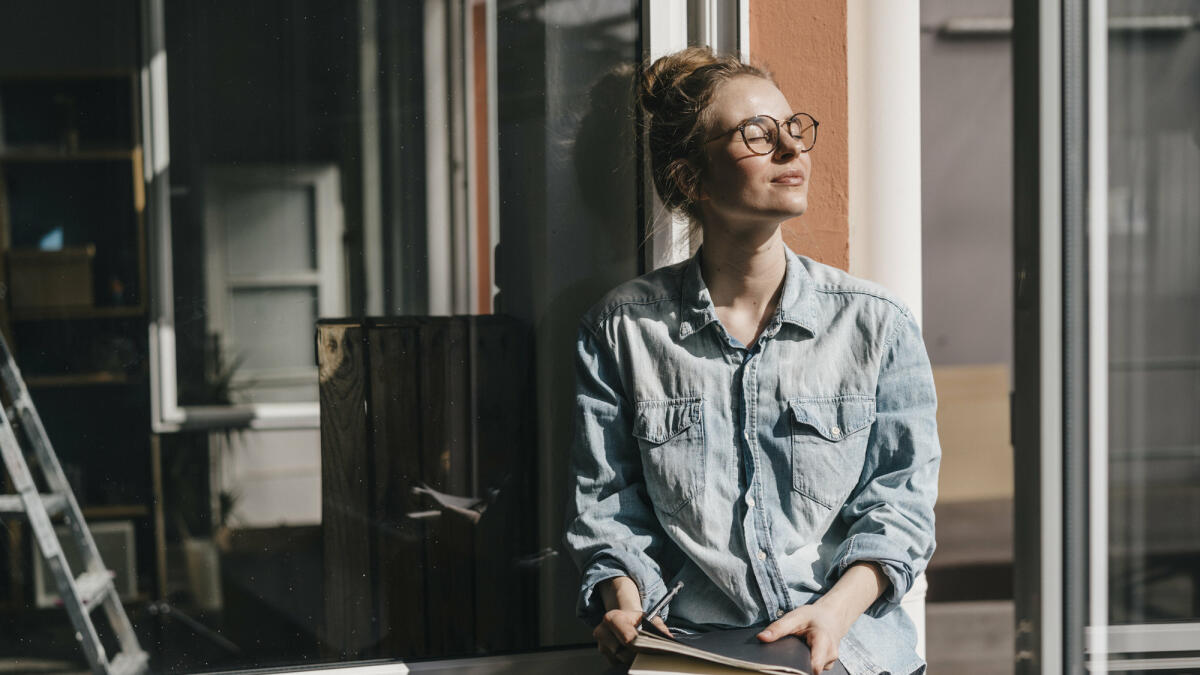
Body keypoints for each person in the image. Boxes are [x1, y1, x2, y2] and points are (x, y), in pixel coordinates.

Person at [562, 47, 940, 675]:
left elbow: (899, 505)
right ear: (692, 180)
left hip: (850, 648)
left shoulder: (875, 325)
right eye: (758, 136)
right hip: (690, 649)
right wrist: (625, 606)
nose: (792, 151)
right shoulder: (621, 331)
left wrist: (835, 615)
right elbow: (606, 505)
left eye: (793, 129)